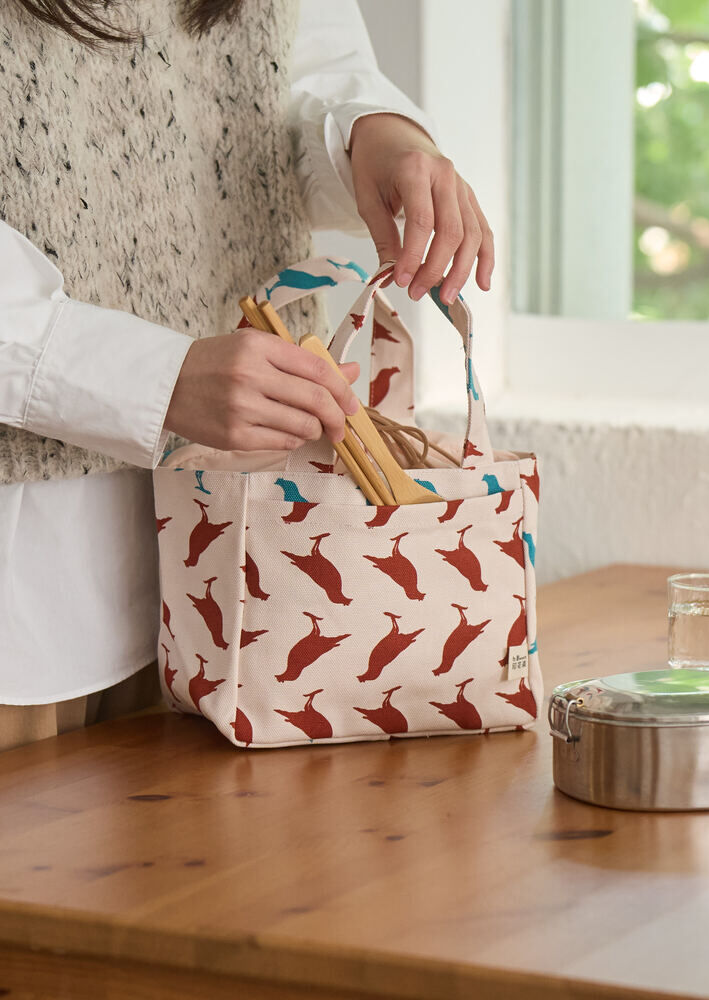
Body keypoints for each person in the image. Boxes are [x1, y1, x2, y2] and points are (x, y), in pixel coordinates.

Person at [0, 0, 493, 751]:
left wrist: (380, 136)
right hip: (29, 607)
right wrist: (157, 378)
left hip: (252, 587)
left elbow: (298, 65)